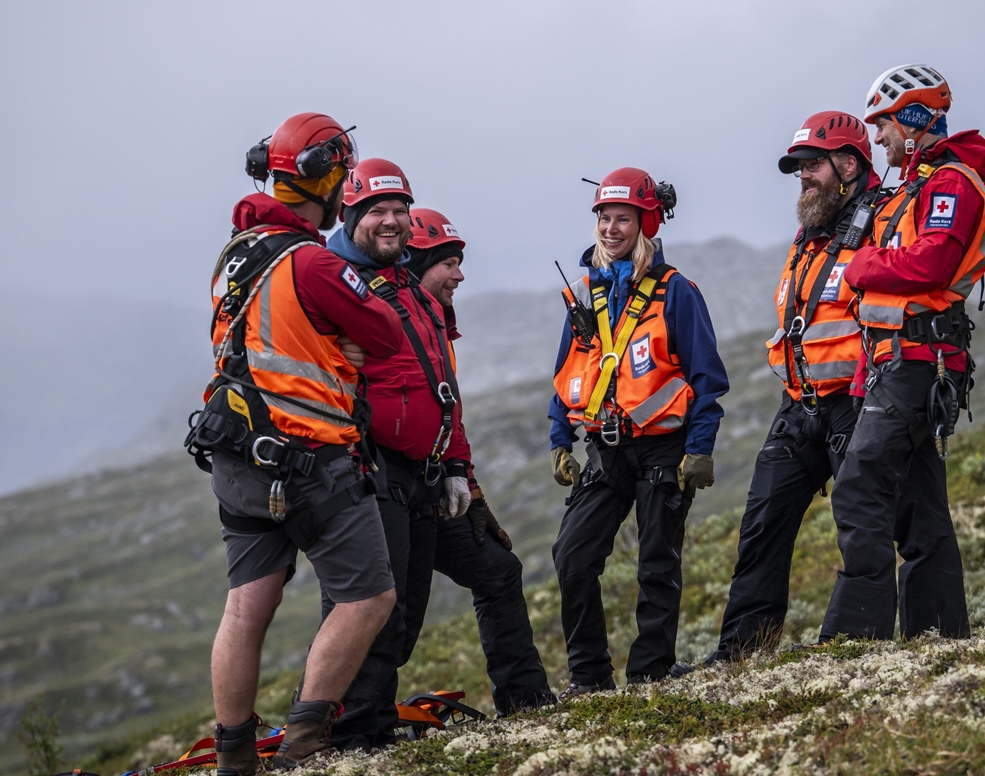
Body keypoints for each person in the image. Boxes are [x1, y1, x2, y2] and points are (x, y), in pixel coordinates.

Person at [191, 112, 401, 774]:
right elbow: (386, 334)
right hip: (309, 459)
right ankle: (305, 746)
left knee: (246, 605)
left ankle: (235, 758)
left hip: (236, 455)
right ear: (327, 175)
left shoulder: (236, 252)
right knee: (368, 596)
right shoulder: (310, 262)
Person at [822, 63, 985, 642]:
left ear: (915, 119)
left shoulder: (950, 182)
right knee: (920, 509)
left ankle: (855, 639)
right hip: (899, 365)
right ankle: (938, 636)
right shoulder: (917, 186)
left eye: (885, 124)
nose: (879, 138)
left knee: (857, 485)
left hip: (920, 363)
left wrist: (862, 266)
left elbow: (933, 263)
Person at [312, 160, 475, 750]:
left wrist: (456, 464)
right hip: (366, 469)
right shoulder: (332, 281)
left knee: (401, 616)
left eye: (398, 210)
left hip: (422, 475)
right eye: (375, 211)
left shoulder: (416, 291)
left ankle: (367, 726)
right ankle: (354, 737)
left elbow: (443, 387)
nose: (389, 221)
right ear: (351, 216)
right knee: (369, 610)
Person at [549, 167, 729, 698]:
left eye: (621, 218)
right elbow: (567, 374)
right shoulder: (582, 294)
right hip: (605, 450)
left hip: (663, 451)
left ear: (645, 223)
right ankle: (589, 678)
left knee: (656, 561)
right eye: (603, 217)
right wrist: (560, 439)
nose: (609, 228)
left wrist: (699, 449)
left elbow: (707, 379)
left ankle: (651, 674)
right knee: (572, 557)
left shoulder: (677, 292)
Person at [706, 111, 879, 664]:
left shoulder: (880, 223)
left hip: (856, 405)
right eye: (798, 168)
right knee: (762, 523)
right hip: (799, 409)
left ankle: (855, 645)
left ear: (848, 165)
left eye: (812, 166)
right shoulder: (810, 233)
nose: (802, 176)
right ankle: (741, 656)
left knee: (867, 523)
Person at [400, 206, 555, 715]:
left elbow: (447, 416)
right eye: (448, 262)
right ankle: (355, 726)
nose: (460, 274)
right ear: (417, 264)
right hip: (395, 493)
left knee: (498, 569)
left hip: (435, 487)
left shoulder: (436, 327)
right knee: (387, 613)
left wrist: (466, 481)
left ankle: (526, 702)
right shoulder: (394, 321)